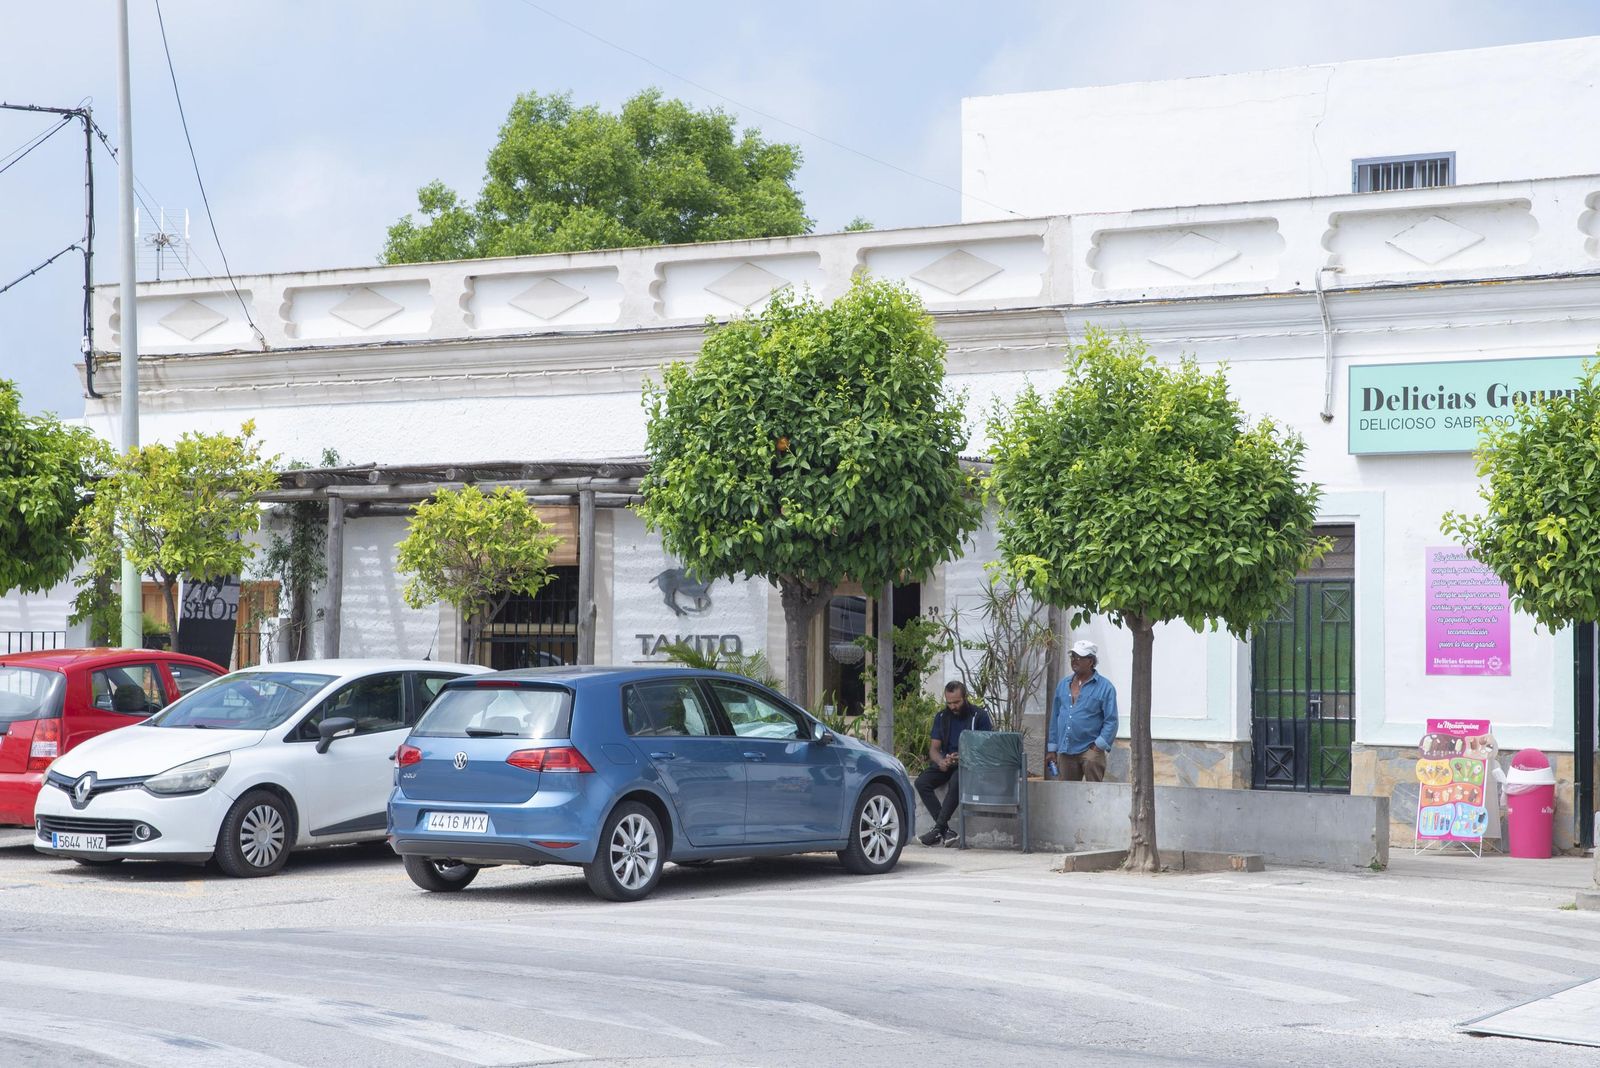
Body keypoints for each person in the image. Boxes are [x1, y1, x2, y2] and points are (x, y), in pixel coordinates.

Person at [916, 681, 993, 846]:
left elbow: (987, 749)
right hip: (948, 762)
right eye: (949, 703)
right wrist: (941, 761)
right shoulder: (942, 717)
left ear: (965, 698)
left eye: (956, 702)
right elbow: (934, 749)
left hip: (969, 765)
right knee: (921, 782)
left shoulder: (979, 716)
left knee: (956, 780)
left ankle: (937, 830)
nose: (953, 707)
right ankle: (944, 831)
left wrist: (964, 756)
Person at [1047, 639, 1118, 781]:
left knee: (1094, 793)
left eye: (1079, 657)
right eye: (1073, 656)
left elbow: (1111, 720)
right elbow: (1055, 716)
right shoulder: (1063, 684)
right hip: (1066, 749)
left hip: (1090, 750)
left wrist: (1098, 746)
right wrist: (1052, 749)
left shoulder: (1105, 687)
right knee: (1067, 795)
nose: (1074, 660)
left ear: (1091, 661)